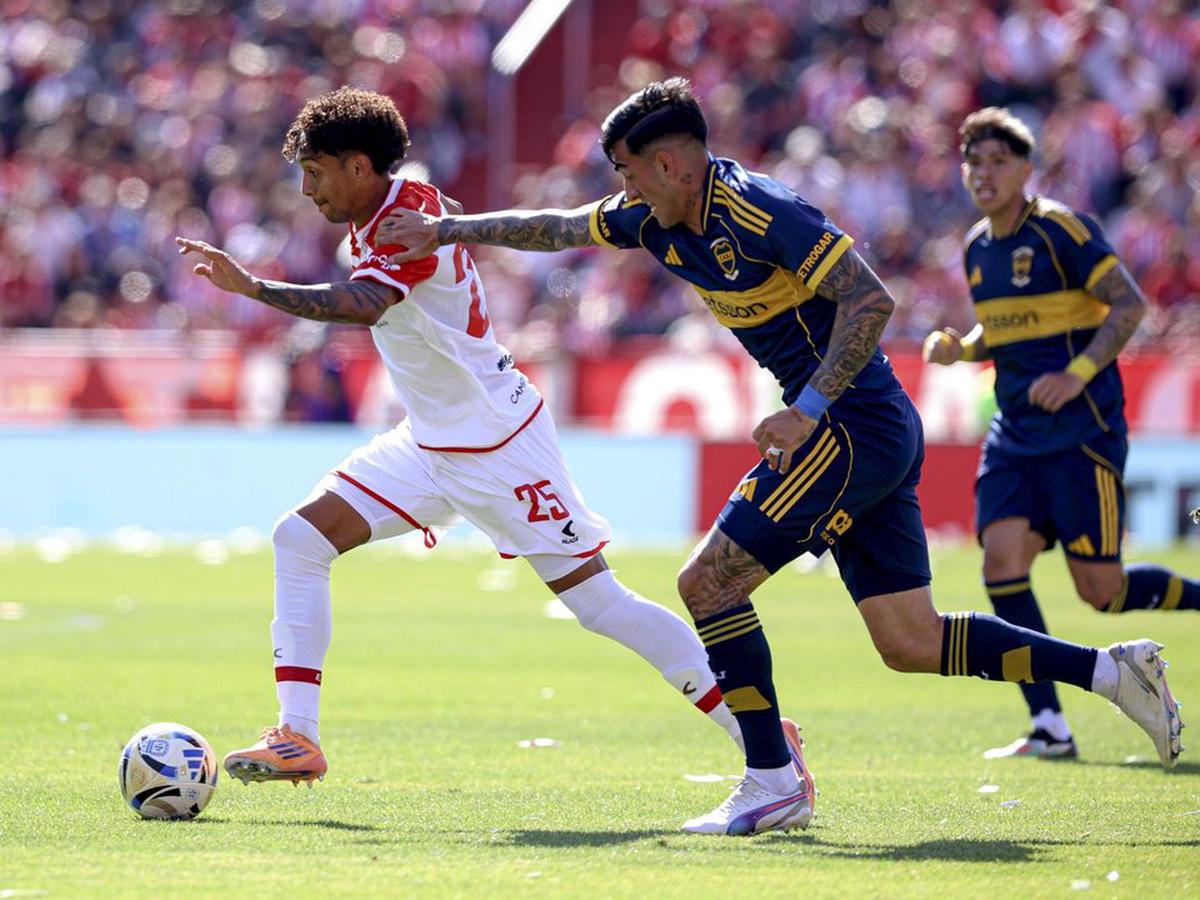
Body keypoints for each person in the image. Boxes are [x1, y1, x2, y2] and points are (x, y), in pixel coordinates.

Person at [381, 79, 1185, 836]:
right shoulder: (651, 217)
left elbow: (871, 299)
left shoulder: (761, 210)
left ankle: (772, 780)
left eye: (626, 171)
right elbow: (558, 228)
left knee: (708, 582)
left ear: (671, 163)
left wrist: (808, 408)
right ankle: (1114, 674)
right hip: (863, 429)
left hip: (849, 424)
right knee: (910, 641)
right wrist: (448, 231)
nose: (620, 190)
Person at [174, 86, 802, 794]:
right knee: (300, 538)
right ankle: (298, 736)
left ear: (358, 166)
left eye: (315, 171)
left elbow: (367, 304)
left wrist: (255, 288)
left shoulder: (403, 220)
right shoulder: (387, 210)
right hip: (429, 443)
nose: (306, 187)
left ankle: (763, 738)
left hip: (498, 445)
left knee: (599, 604)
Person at [922, 107, 1200, 761]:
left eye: (998, 161)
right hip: (1015, 433)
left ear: (1025, 168)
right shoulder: (976, 247)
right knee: (1001, 564)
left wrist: (1076, 374)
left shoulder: (1061, 230)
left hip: (1082, 431)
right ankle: (1049, 722)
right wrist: (964, 349)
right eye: (974, 162)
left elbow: (1128, 303)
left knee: (1102, 591)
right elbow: (1005, 328)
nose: (984, 174)